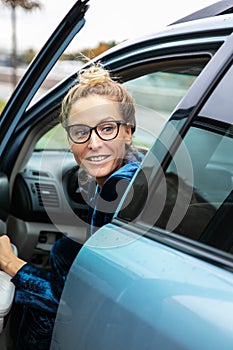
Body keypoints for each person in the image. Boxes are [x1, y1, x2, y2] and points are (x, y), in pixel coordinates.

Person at [0, 63, 144, 349]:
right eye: (81, 131)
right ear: (69, 139)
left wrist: (11, 264)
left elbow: (74, 304)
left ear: (127, 132)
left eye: (107, 128)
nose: (93, 143)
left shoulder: (122, 189)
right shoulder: (134, 170)